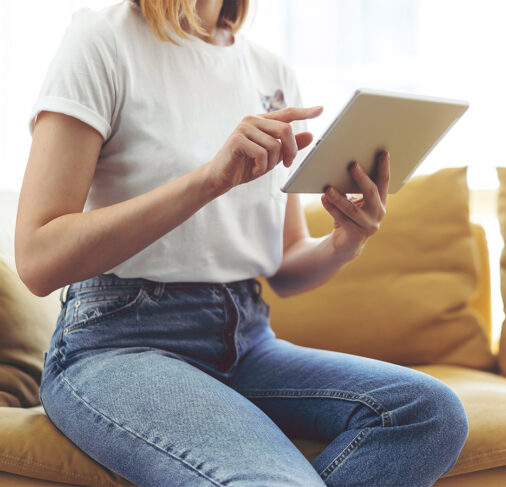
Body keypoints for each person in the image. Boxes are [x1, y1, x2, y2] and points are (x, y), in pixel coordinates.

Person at [15, 1, 469, 485]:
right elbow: (38, 257)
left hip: (246, 339)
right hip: (121, 342)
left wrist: (345, 241)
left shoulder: (270, 72)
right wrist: (209, 180)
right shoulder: (102, 39)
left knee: (427, 414)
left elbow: (286, 264)